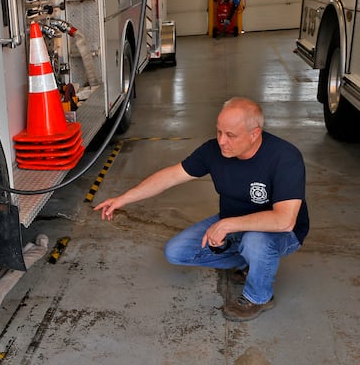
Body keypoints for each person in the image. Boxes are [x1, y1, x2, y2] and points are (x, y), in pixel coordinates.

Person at [94, 97, 309, 321]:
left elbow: (285, 220)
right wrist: (123, 199)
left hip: (280, 233)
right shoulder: (213, 151)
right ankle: (249, 260)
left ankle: (259, 297)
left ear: (254, 134)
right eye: (219, 132)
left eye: (231, 135)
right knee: (176, 252)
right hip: (233, 222)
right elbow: (171, 176)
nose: (222, 141)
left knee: (256, 242)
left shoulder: (284, 157)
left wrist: (226, 224)